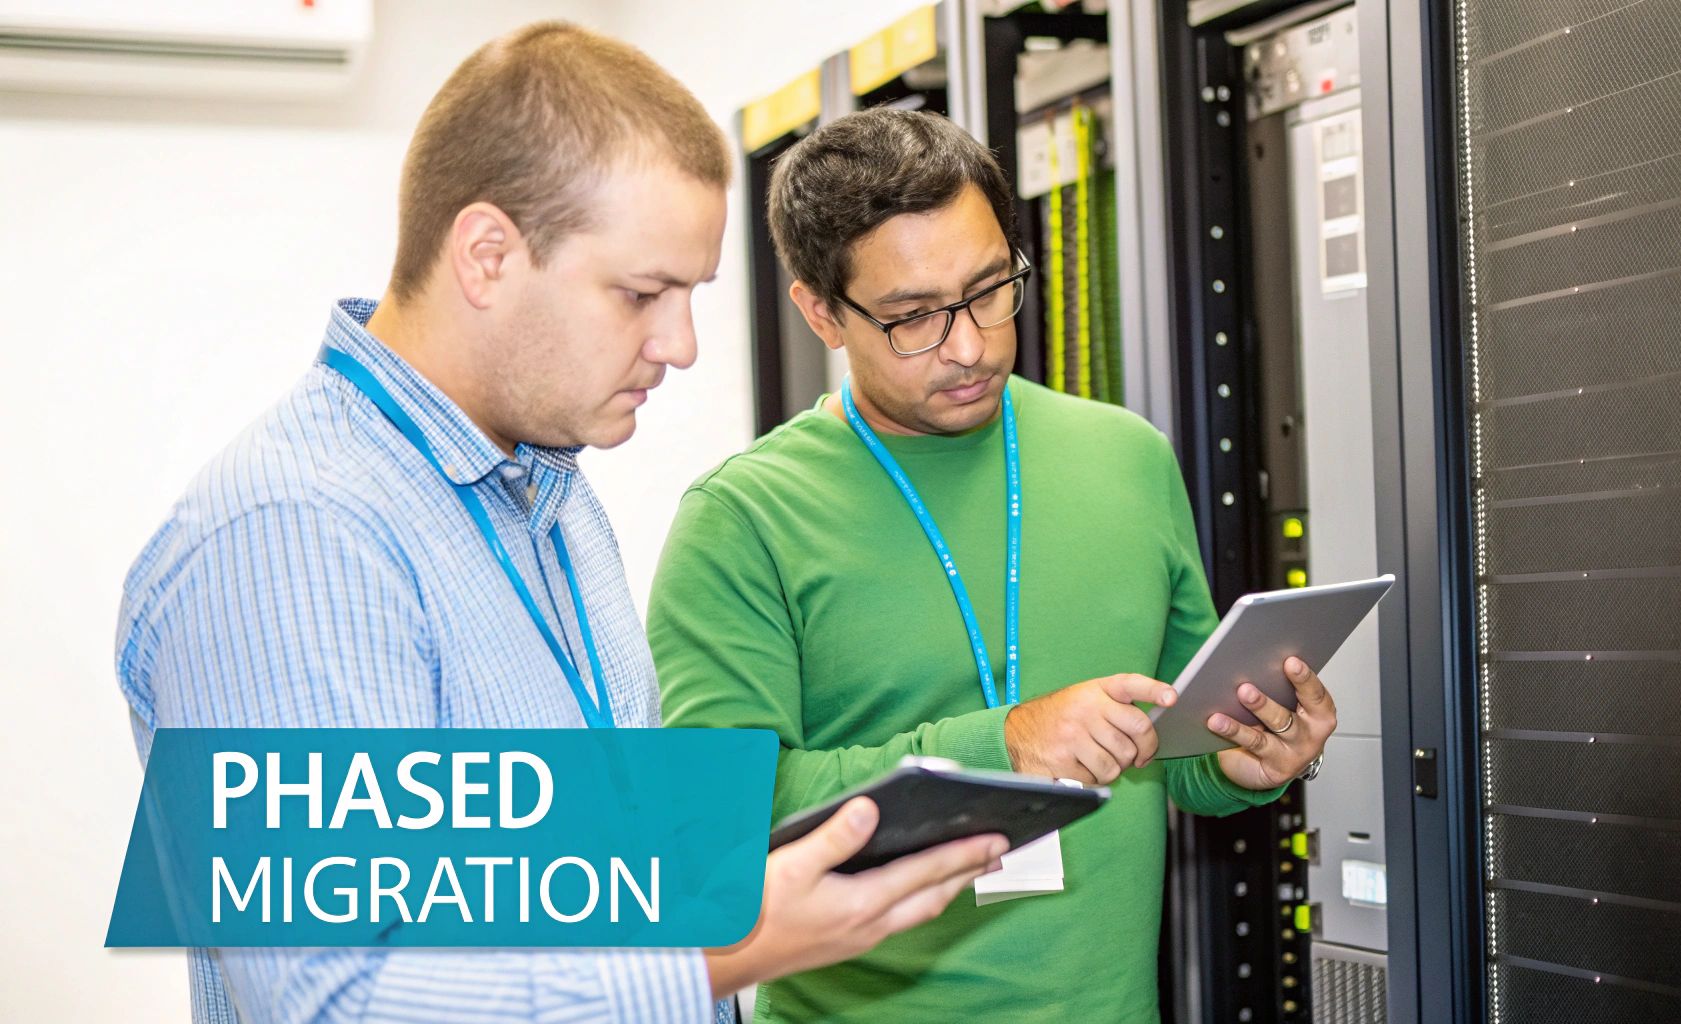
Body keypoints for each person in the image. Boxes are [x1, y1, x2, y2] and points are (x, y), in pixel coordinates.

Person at [114, 25, 1007, 1024]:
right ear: (488, 256)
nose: (679, 345)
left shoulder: (552, 499)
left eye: (690, 294)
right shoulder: (289, 536)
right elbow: (341, 997)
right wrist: (728, 947)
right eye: (641, 294)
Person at [647, 108, 1338, 1023]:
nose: (969, 345)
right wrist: (1003, 744)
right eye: (913, 318)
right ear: (820, 310)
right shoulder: (742, 519)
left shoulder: (1127, 458)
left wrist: (1254, 759)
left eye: (987, 291)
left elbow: (1182, 743)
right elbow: (717, 820)